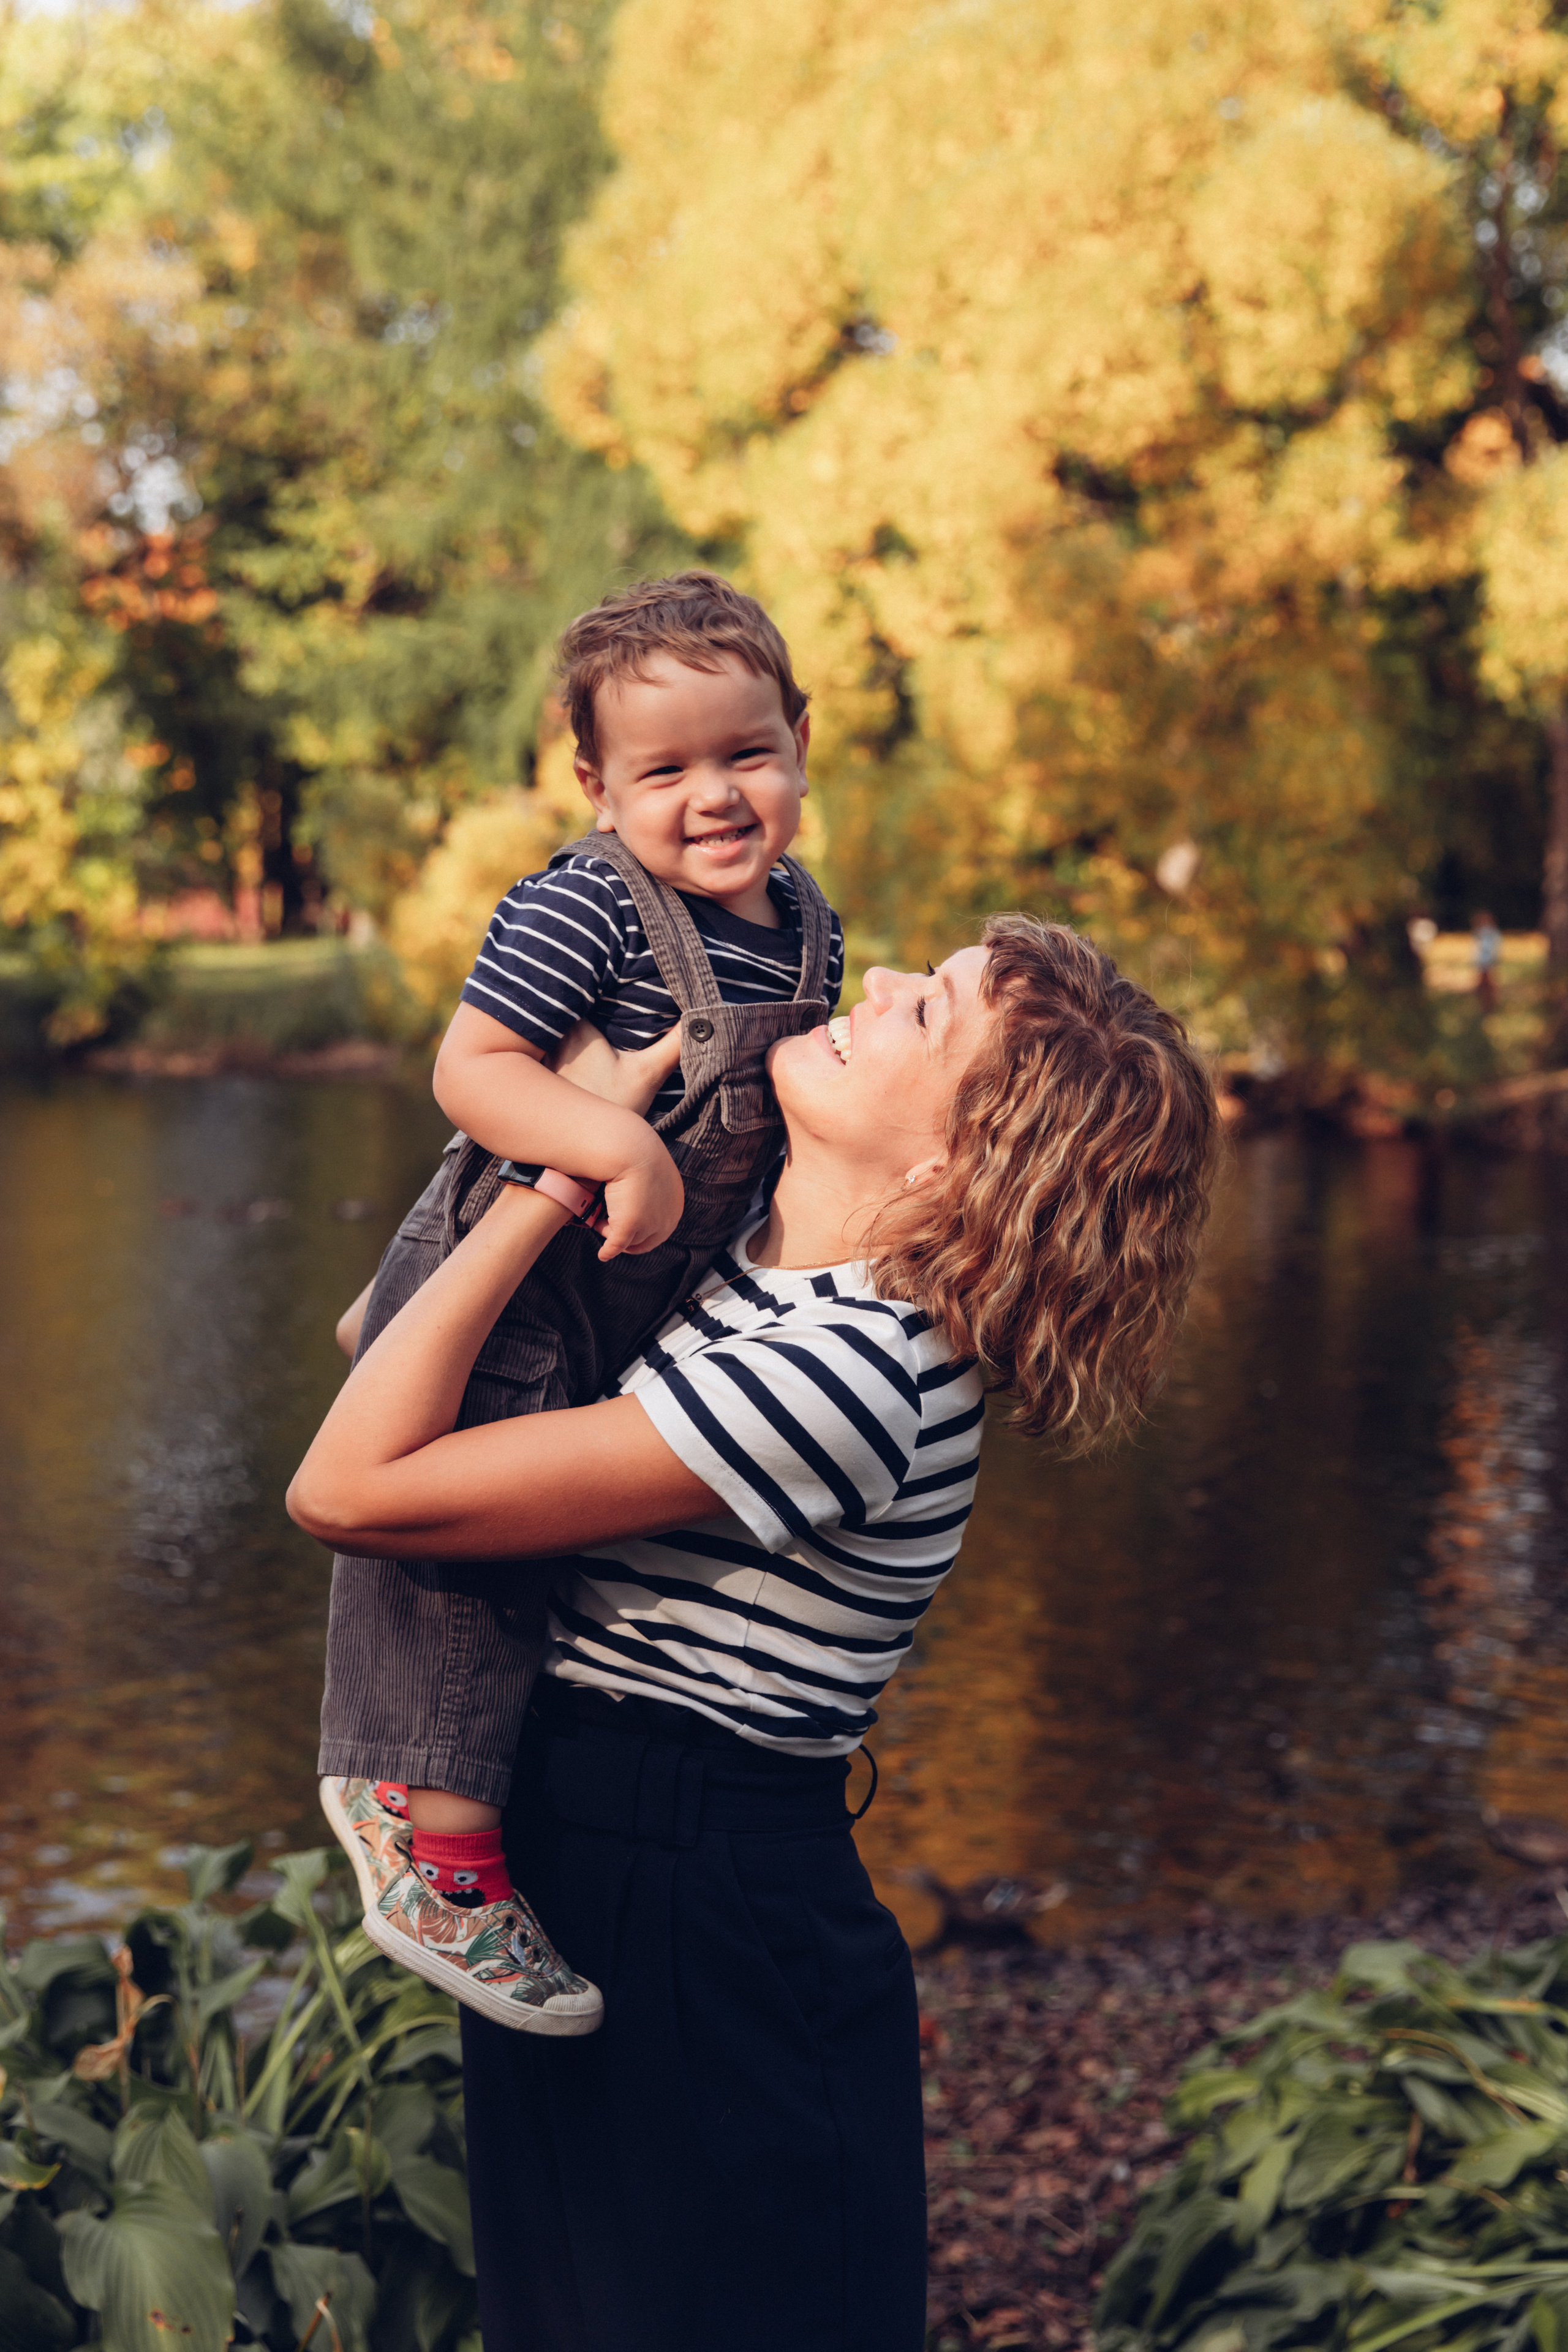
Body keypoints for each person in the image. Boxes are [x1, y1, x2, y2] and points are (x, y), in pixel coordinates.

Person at [289, 916, 1219, 2351]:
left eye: (931, 1014)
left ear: (950, 1169)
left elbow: (349, 1486)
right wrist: (573, 1135)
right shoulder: (743, 1256)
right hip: (584, 1849)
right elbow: (380, 1346)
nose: (888, 980)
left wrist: (552, 1179)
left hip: (702, 1899)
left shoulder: (858, 1368)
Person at [317, 573, 845, 2034]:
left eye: (745, 753)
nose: (713, 796)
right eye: (663, 770)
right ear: (594, 785)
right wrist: (608, 1138)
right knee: (469, 1564)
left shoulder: (806, 923)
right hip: (529, 1283)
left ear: (799, 739)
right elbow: (474, 1071)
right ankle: (439, 1856)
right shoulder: (586, 904)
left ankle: (380, 1322)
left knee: (562, 1542)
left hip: (642, 1292)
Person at [1472, 908, 1502, 1015]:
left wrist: (1494, 959)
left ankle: (1490, 1006)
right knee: (1481, 985)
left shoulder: (1493, 933)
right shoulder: (1479, 933)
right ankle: (1484, 1006)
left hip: (1489, 962)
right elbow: (1476, 949)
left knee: (1490, 985)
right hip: (1481, 962)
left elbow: (1496, 948)